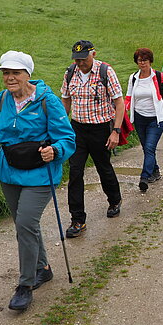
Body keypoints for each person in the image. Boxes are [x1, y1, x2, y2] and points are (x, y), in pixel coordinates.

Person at [0, 50, 76, 311]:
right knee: (25, 226)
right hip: (9, 174)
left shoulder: (48, 101)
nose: (10, 77)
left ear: (27, 74)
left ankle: (25, 285)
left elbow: (67, 138)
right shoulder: (1, 101)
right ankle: (43, 268)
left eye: (15, 73)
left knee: (25, 223)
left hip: (41, 175)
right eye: (6, 73)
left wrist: (55, 150)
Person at [61, 40, 124, 239]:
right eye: (77, 60)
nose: (80, 63)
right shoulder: (70, 73)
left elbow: (119, 103)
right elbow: (66, 100)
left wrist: (115, 131)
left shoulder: (106, 72)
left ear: (93, 54)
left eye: (83, 59)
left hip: (100, 129)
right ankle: (77, 219)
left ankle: (114, 200)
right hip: (77, 129)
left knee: (103, 167)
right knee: (75, 172)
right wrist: (60, 127)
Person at [126, 48, 163, 192]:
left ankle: (144, 177)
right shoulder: (133, 78)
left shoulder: (158, 76)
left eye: (145, 60)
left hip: (156, 119)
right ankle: (155, 170)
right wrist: (123, 111)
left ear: (150, 61)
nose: (142, 63)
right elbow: (129, 97)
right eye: (139, 60)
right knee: (146, 148)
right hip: (139, 118)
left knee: (149, 147)